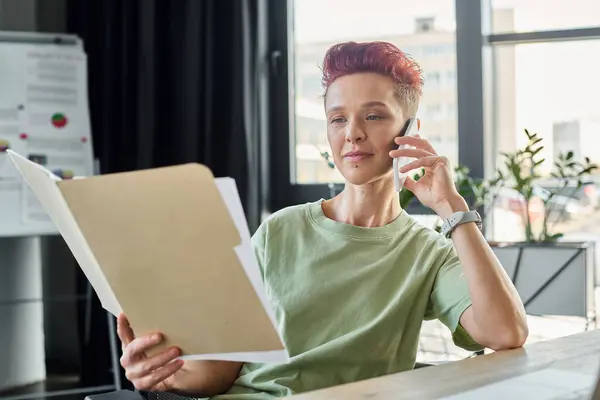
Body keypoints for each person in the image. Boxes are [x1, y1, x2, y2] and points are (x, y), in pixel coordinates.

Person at [117, 41, 528, 399]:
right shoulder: (280, 229)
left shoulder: (430, 254)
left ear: (411, 130)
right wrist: (159, 374)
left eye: (373, 116)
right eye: (337, 118)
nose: (352, 133)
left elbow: (506, 333)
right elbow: (221, 372)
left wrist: (451, 207)